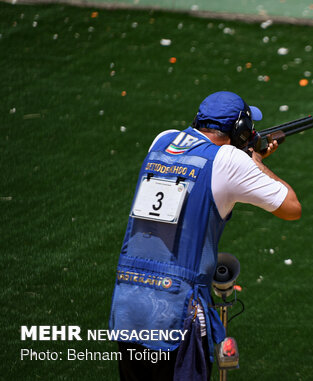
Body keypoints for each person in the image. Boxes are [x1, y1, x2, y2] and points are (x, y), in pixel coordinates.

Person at [109, 91, 302, 381]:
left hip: (129, 302)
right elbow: (291, 208)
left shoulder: (162, 140)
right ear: (239, 132)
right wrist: (257, 162)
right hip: (177, 309)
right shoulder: (227, 160)